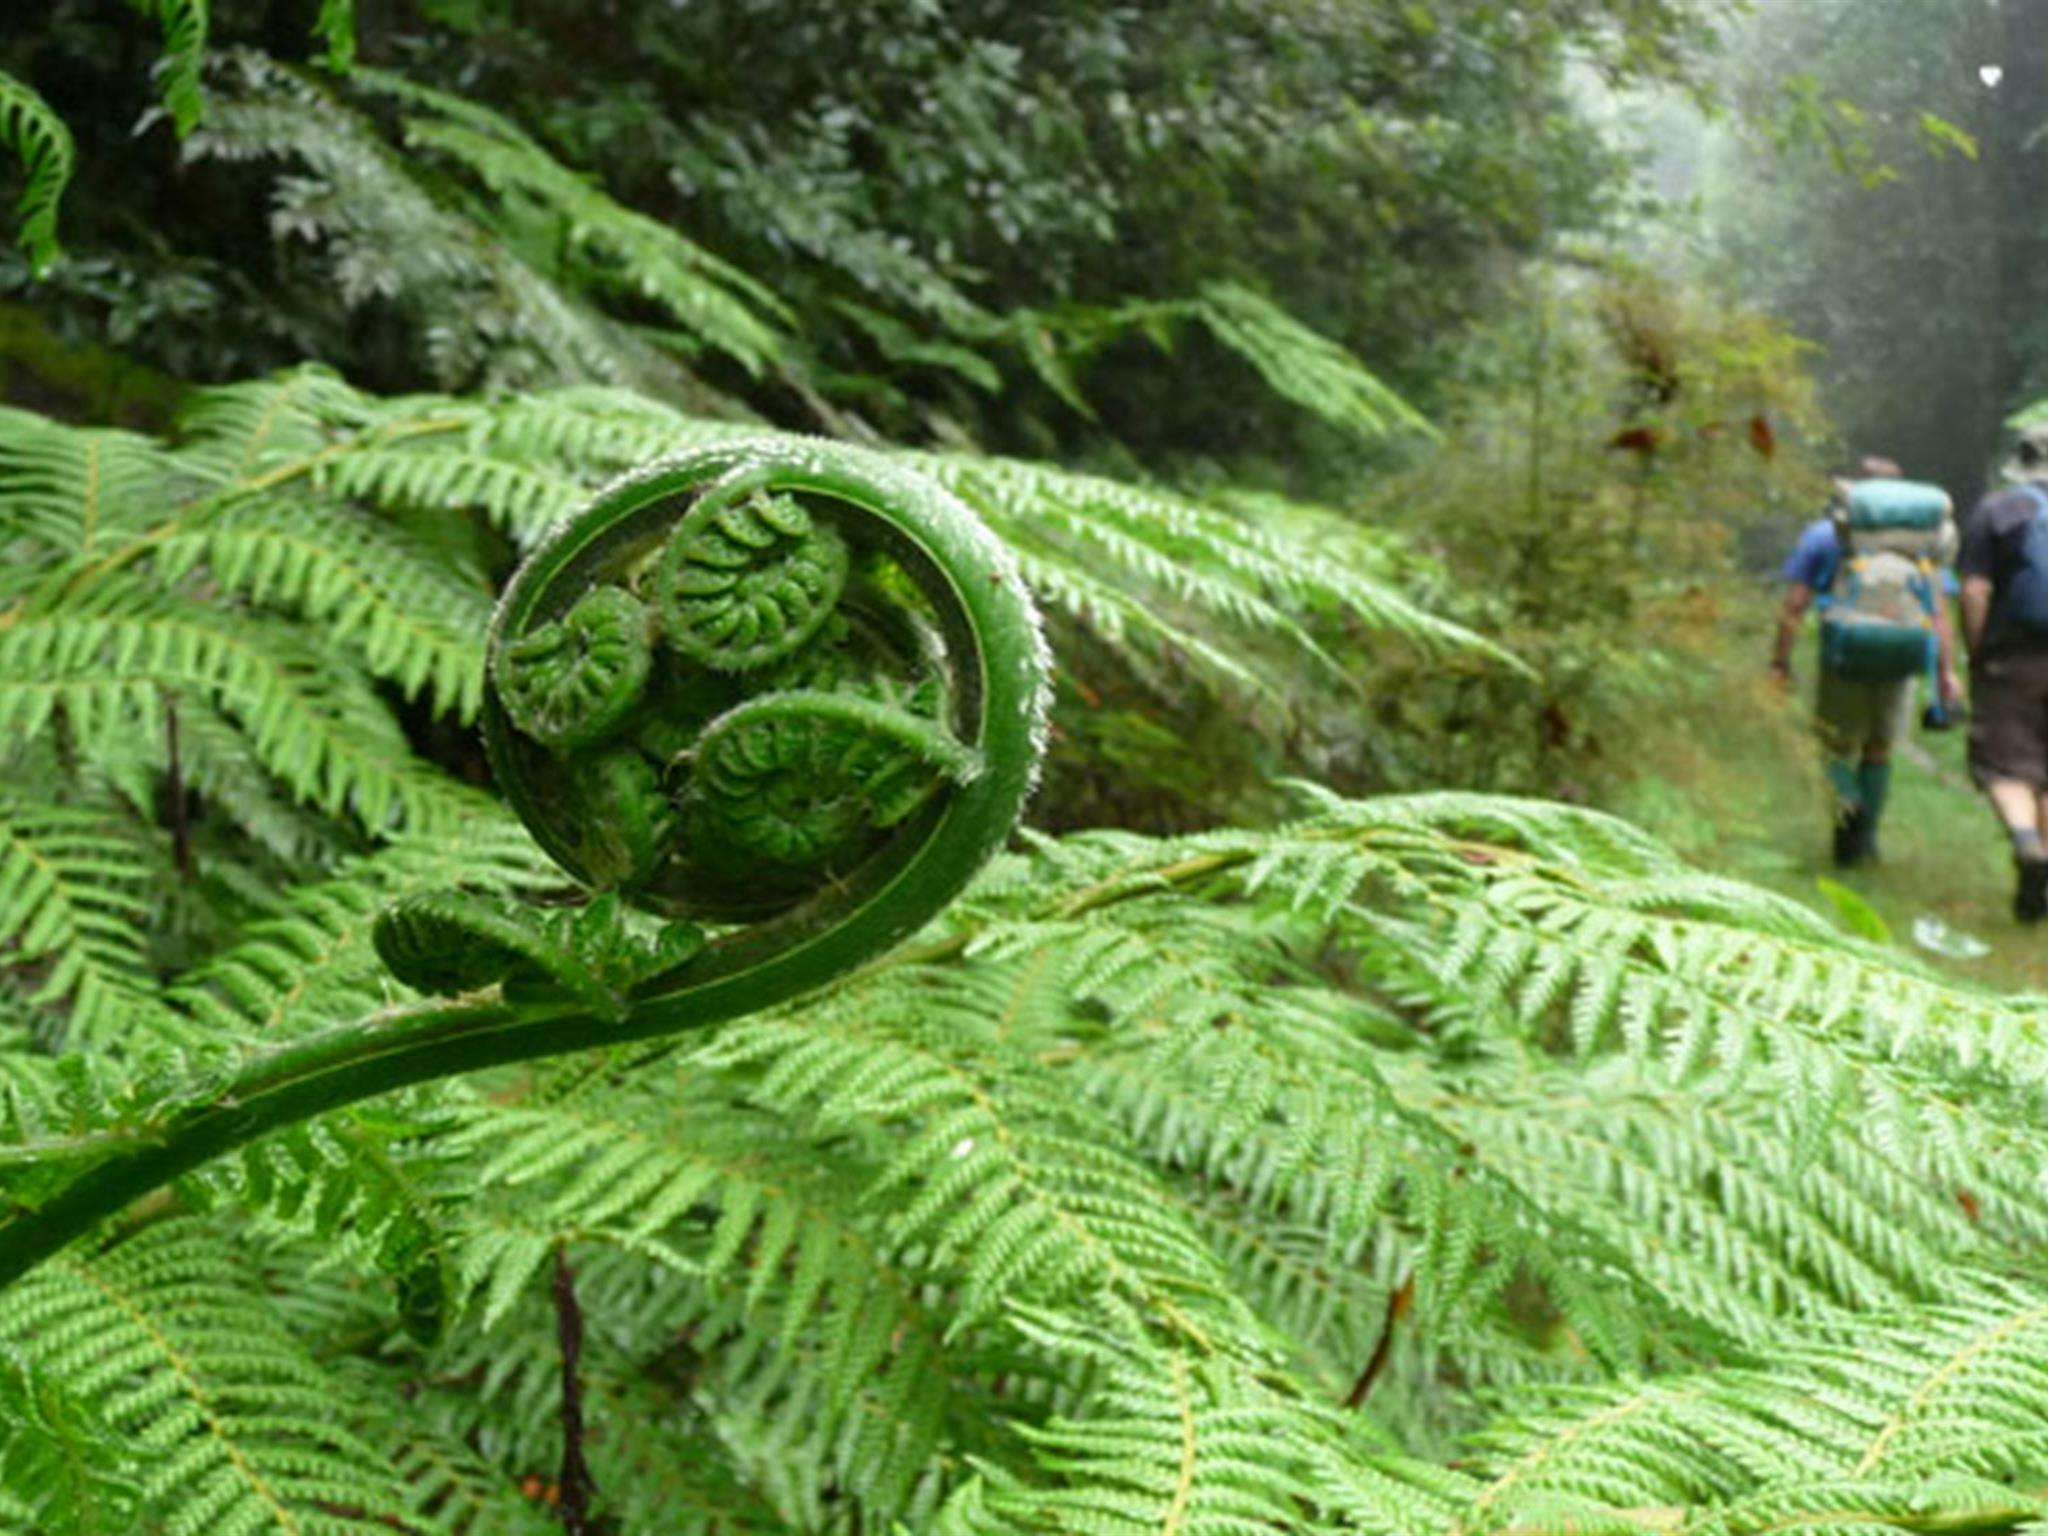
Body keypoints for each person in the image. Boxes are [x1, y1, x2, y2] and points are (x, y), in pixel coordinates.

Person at [1772, 457, 1963, 867]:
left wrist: (1780, 660)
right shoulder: (1922, 547)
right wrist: (1945, 674)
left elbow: (1796, 601)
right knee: (1879, 749)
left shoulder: (1826, 535)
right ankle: (1868, 842)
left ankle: (1849, 808)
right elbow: (1939, 612)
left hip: (1844, 655)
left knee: (1837, 746)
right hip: (1902, 653)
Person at [1959, 422, 2048, 920]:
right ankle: (2044, 868)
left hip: (2011, 658)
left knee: (2005, 765)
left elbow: (1974, 590)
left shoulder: (1999, 510)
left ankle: (2027, 844)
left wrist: (1976, 651)